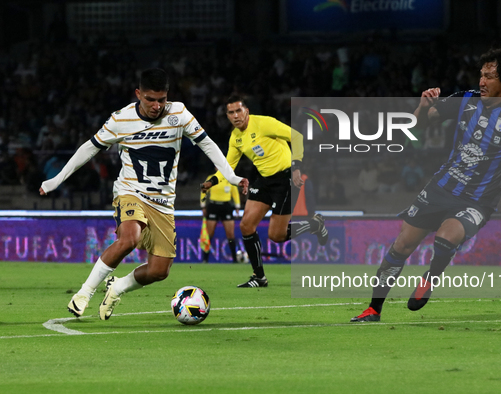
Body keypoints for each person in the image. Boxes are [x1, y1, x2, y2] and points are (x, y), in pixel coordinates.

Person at [351, 47, 501, 322]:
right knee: (401, 246)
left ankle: (431, 276)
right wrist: (422, 107)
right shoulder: (466, 100)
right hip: (441, 188)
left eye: (489, 76)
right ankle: (373, 309)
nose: (482, 81)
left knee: (446, 237)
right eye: (481, 75)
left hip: (478, 199)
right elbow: (417, 129)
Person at [40, 68, 248, 320]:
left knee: (160, 271)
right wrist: (57, 179)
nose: (157, 105)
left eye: (162, 99)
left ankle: (117, 287)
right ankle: (84, 293)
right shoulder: (121, 119)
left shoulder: (179, 114)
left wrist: (233, 177)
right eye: (150, 99)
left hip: (163, 202)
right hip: (130, 192)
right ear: (138, 94)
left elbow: (207, 144)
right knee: (129, 238)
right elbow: (89, 149)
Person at [201, 95, 328, 288]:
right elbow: (228, 166)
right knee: (246, 225)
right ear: (227, 116)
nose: (236, 115)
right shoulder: (235, 137)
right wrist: (212, 181)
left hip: (286, 180)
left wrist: (297, 165)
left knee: (276, 236)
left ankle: (314, 225)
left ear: (247, 111)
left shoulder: (264, 123)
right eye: (231, 112)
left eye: (239, 111)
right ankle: (259, 277)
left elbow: (297, 136)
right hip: (264, 180)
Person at [200, 171, 241, 262]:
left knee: (230, 234)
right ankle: (205, 259)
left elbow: (235, 192)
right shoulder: (210, 177)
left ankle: (235, 259)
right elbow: (204, 190)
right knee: (209, 234)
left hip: (226, 206)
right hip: (213, 206)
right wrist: (203, 205)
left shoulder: (229, 178)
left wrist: (237, 206)